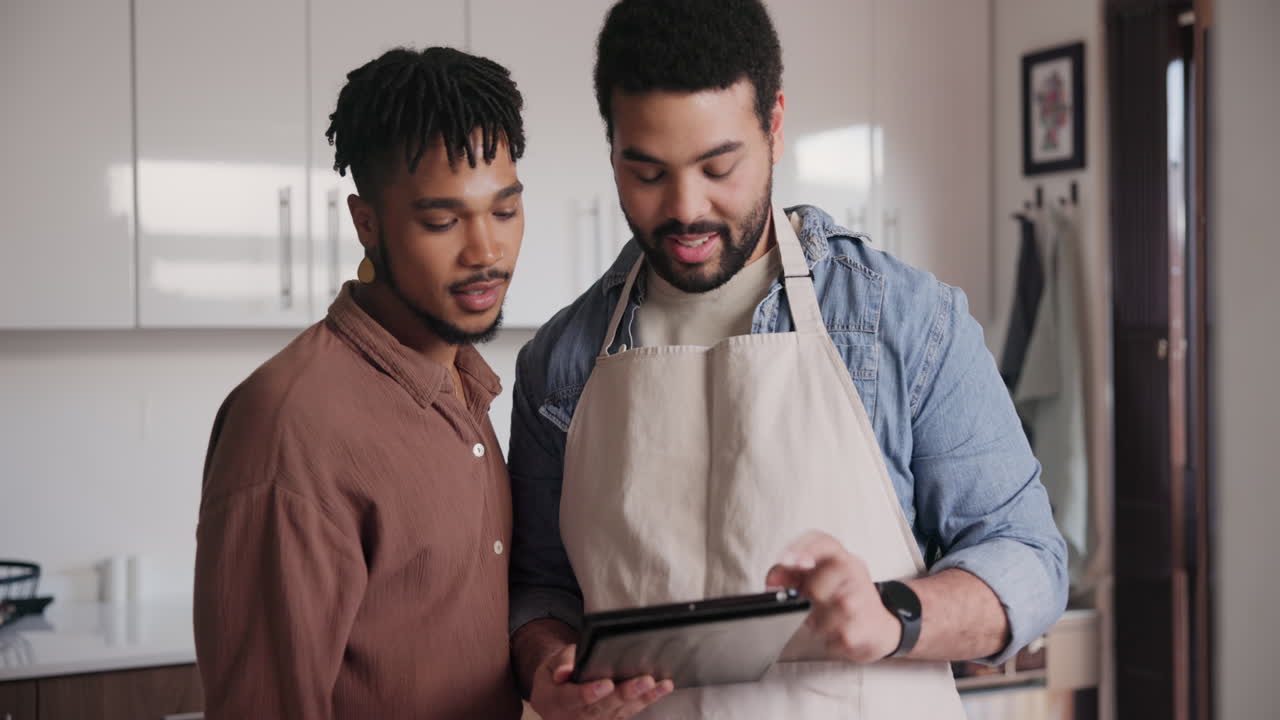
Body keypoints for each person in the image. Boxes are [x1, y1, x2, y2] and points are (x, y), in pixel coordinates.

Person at [507, 1, 1069, 717]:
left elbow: (1030, 559)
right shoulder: (559, 363)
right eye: (647, 172)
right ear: (612, 147)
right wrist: (544, 663)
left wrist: (892, 615)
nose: (686, 209)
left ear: (773, 125)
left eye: (719, 166)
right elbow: (540, 588)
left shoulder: (904, 322)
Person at [194, 46, 527, 720]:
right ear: (366, 223)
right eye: (442, 220)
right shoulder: (289, 426)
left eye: (504, 211)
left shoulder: (463, 383)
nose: (486, 251)